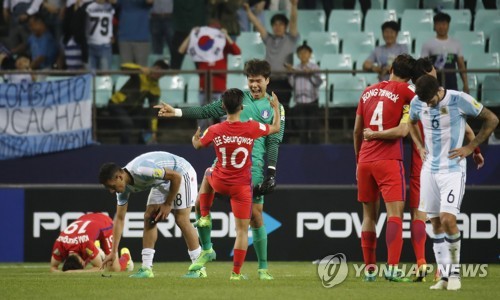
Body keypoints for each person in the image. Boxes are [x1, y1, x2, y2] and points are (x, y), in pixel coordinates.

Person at [155, 59, 285, 280]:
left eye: (258, 81)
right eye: (251, 80)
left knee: (256, 217)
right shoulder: (236, 98)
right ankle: (207, 250)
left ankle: (263, 269)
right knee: (200, 202)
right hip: (224, 167)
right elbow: (205, 110)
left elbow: (274, 140)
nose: (254, 85)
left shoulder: (275, 107)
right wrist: (176, 112)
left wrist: (271, 172)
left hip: (252, 170)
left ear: (267, 81)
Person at [362, 57, 485, 282]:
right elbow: (466, 129)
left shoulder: (405, 92)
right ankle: (424, 263)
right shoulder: (431, 95)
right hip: (426, 157)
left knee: (400, 213)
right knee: (422, 213)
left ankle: (378, 268)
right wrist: (474, 150)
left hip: (406, 152)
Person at [409, 74, 498, 290]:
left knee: (448, 219)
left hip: (452, 170)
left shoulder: (459, 99)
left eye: (430, 100)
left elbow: (492, 119)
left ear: (438, 90)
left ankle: (456, 274)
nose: (428, 104)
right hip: (429, 169)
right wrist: (420, 146)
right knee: (435, 224)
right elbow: (410, 123)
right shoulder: (417, 101)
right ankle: (445, 277)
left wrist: (470, 147)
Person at [191, 88, 281, 280]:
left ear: (223, 106)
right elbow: (275, 129)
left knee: (208, 172)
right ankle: (236, 273)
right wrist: (276, 110)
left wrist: (195, 139)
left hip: (221, 182)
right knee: (242, 231)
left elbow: (198, 145)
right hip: (242, 187)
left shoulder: (215, 129)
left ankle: (205, 216)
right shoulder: (251, 127)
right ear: (242, 107)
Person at [353, 53, 417, 282]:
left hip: (365, 161)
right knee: (395, 215)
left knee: (368, 217)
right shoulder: (407, 91)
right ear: (409, 77)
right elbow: (404, 129)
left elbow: (356, 131)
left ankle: (370, 270)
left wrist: (358, 160)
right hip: (389, 161)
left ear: (390, 68)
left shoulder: (367, 91)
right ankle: (391, 268)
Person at [99, 151, 205, 279]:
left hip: (182, 173)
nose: (111, 191)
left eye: (112, 186)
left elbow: (175, 177)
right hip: (161, 181)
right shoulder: (121, 190)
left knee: (181, 219)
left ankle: (199, 268)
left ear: (119, 177)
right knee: (149, 218)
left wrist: (167, 204)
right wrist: (113, 252)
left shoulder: (142, 169)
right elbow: (120, 218)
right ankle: (146, 269)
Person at [244, 0, 298, 141]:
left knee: (283, 110)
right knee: (268, 111)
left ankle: (283, 138)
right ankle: (269, 137)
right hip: (270, 82)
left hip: (285, 81)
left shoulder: (291, 39)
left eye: (281, 24)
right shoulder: (269, 39)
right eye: (275, 24)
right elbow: (258, 25)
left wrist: (294, 6)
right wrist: (249, 12)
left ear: (285, 26)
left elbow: (293, 22)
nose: (278, 27)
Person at [178, 19, 241, 130]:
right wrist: (191, 34)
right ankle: (202, 139)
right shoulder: (201, 43)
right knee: (202, 116)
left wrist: (226, 35)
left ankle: (224, 138)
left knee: (223, 115)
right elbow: (181, 50)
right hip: (204, 88)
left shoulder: (222, 44)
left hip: (220, 87)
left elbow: (237, 51)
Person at [107, 59, 169, 144]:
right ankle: (124, 148)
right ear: (153, 67)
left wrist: (153, 132)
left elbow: (152, 112)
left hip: (133, 108)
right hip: (116, 104)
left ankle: (141, 147)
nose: (158, 72)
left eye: (162, 72)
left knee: (146, 120)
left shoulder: (155, 88)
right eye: (157, 68)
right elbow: (124, 67)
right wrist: (140, 69)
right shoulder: (140, 75)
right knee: (127, 123)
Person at [50, 213, 133, 273]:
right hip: (86, 218)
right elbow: (53, 267)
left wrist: (75, 272)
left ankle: (126, 257)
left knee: (114, 268)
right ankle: (97, 251)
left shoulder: (85, 244)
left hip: (105, 223)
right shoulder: (59, 243)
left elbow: (100, 268)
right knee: (88, 251)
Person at [420, 12, 468, 93]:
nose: (441, 27)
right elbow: (423, 66)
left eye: (444, 24)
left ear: (448, 25)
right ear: (434, 26)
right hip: (434, 85)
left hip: (452, 84)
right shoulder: (428, 44)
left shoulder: (456, 44)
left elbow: (461, 66)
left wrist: (466, 84)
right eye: (438, 24)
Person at [285, 41, 322, 144]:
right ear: (298, 55)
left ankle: (316, 152)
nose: (303, 55)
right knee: (302, 129)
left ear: (310, 54)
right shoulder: (295, 68)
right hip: (300, 102)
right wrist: (290, 73)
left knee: (314, 129)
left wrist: (310, 74)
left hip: (312, 101)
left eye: (306, 52)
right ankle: (304, 152)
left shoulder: (314, 67)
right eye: (301, 53)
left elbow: (319, 82)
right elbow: (292, 84)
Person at [84, 0, 115, 70]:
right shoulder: (88, 6)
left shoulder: (111, 7)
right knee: (90, 77)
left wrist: (113, 35)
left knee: (104, 77)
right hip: (90, 45)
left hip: (105, 45)